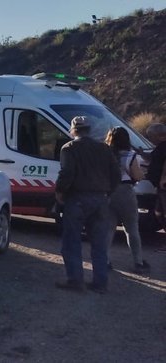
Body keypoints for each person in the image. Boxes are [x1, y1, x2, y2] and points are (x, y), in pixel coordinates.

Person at [54, 116, 120, 294]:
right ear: (89, 130)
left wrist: (59, 191)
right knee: (99, 244)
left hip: (77, 199)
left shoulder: (69, 148)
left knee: (72, 241)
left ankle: (75, 280)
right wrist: (108, 193)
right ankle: (100, 283)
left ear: (73, 130)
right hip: (100, 200)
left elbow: (66, 172)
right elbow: (116, 174)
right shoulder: (103, 148)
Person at [105, 127, 150, 274]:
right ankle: (138, 262)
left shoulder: (106, 153)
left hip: (108, 192)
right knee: (131, 229)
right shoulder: (130, 155)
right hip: (125, 192)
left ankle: (104, 260)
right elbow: (137, 176)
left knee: (108, 228)